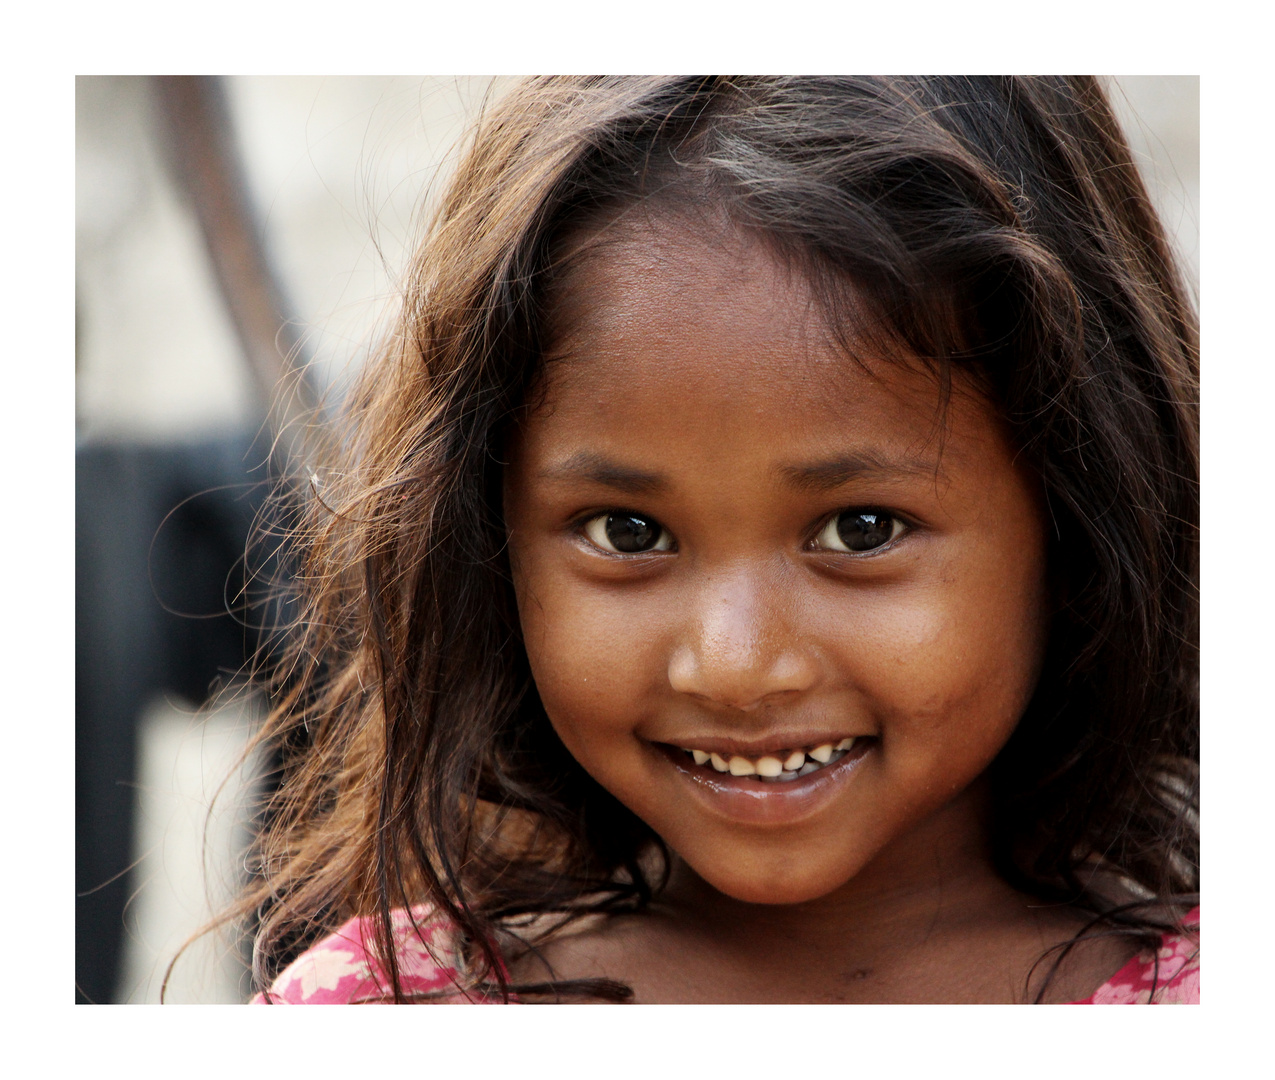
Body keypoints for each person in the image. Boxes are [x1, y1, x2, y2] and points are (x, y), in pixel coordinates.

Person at [235, 77, 1198, 1004]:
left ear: (1076, 517)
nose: (734, 667)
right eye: (628, 533)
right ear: (490, 547)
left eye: (859, 532)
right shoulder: (387, 1015)